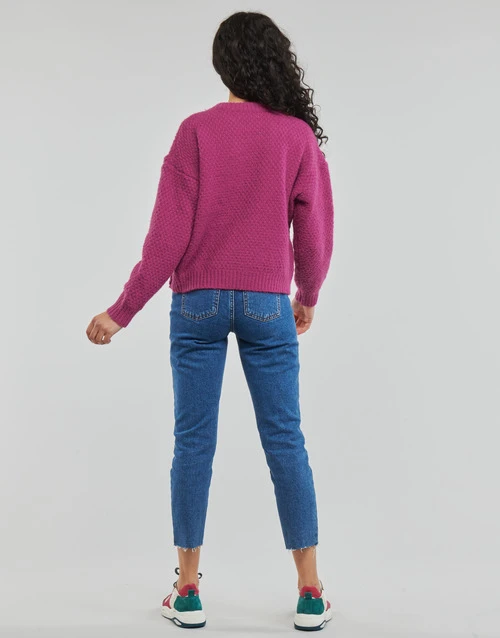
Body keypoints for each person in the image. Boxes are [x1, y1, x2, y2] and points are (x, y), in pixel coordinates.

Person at [86, 10, 334, 632]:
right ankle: (310, 592)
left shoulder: (195, 131)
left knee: (193, 442)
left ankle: (189, 589)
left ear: (223, 65)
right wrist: (307, 293)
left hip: (196, 301)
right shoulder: (295, 137)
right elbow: (314, 232)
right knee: (286, 440)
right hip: (267, 303)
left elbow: (166, 239)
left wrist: (122, 311)